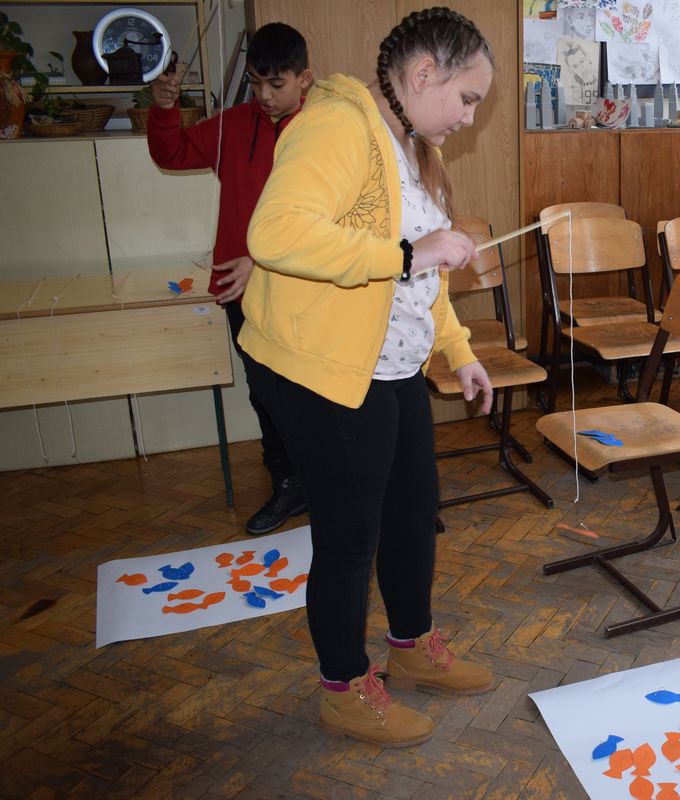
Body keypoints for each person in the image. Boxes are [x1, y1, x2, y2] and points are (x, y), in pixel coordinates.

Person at [239, 7, 496, 747]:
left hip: (392, 364)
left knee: (413, 513)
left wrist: (459, 349)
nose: (468, 118)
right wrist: (410, 253)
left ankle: (410, 646)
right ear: (423, 74)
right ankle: (344, 688)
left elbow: (424, 277)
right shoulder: (337, 125)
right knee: (350, 536)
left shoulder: (411, 146)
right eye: (466, 98)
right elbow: (276, 232)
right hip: (325, 370)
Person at [147, 23, 312, 536]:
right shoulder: (235, 124)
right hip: (242, 290)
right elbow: (171, 152)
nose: (263, 95)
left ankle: (324, 481)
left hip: (308, 288)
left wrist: (266, 262)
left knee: (312, 391)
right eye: (256, 82)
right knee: (264, 391)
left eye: (276, 84)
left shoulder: (325, 130)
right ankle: (287, 482)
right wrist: (165, 108)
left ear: (304, 79)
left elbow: (332, 222)